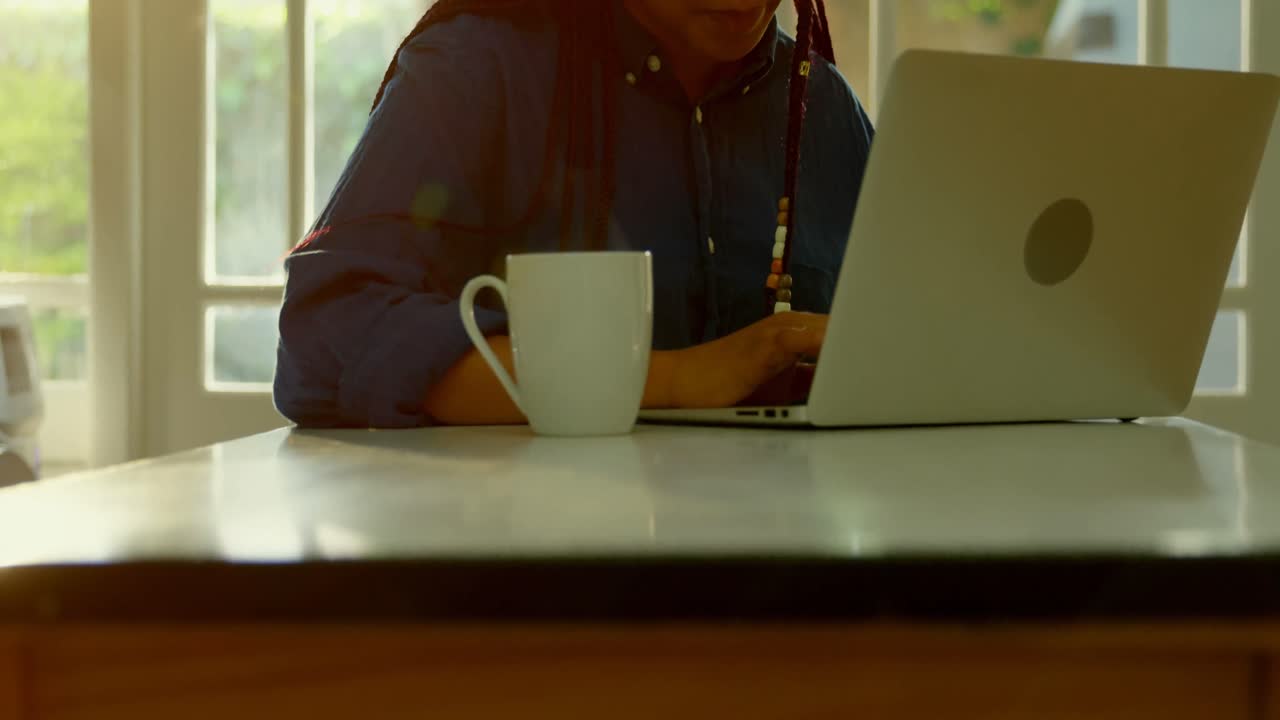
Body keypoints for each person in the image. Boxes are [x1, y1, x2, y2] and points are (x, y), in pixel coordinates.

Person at [274, 0, 874, 428]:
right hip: (520, 555)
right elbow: (328, 335)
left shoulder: (823, 104)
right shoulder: (475, 65)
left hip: (789, 556)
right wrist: (672, 379)